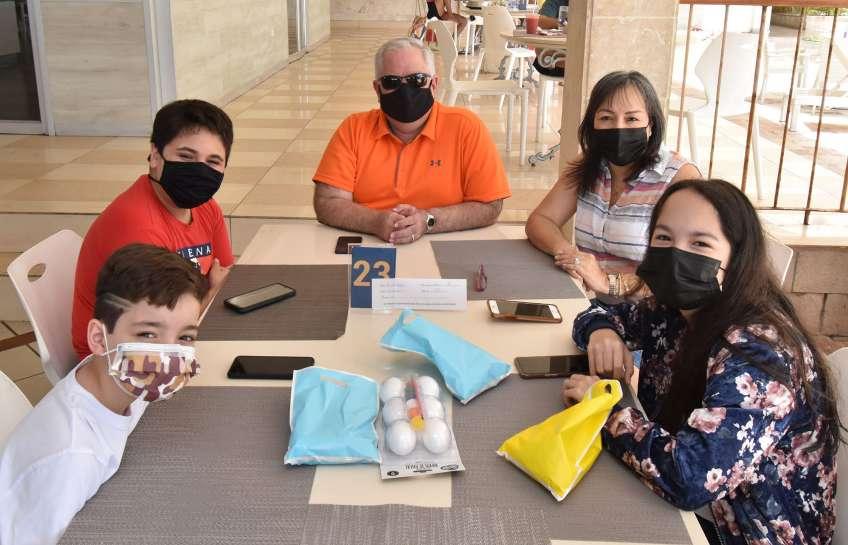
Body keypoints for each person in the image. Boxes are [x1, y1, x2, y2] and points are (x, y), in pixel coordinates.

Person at [563, 179, 842, 545]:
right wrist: (602, 331)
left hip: (748, 528)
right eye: (664, 238)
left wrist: (603, 411)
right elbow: (598, 314)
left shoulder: (760, 354)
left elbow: (691, 478)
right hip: (694, 502)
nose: (676, 254)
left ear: (736, 259)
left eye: (700, 243)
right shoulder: (676, 310)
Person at [1, 244, 208, 545]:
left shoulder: (118, 380)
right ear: (99, 338)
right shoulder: (72, 458)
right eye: (147, 334)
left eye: (185, 337)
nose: (168, 355)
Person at [72, 99, 235, 359]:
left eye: (213, 161)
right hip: (117, 358)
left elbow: (227, 276)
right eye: (186, 156)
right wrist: (213, 291)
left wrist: (214, 292)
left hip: (176, 334)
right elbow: (159, 330)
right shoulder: (138, 225)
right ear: (156, 156)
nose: (200, 170)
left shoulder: (206, 208)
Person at [312, 37, 510, 244]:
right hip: (371, 244)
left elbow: (490, 206)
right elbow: (327, 202)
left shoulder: (466, 128)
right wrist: (375, 221)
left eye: (417, 80)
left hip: (445, 243)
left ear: (434, 84)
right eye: (391, 82)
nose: (405, 92)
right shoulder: (354, 128)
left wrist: (429, 220)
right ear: (377, 89)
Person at [525, 71, 699, 299]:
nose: (619, 128)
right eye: (606, 118)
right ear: (593, 123)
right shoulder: (588, 164)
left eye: (632, 119)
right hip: (590, 304)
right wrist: (568, 253)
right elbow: (541, 220)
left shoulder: (679, 177)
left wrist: (609, 283)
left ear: (651, 124)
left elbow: (687, 271)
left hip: (651, 310)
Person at [534, 0, 568, 77]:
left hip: (584, 63)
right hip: (551, 62)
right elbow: (540, 21)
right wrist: (564, 24)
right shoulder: (557, 2)